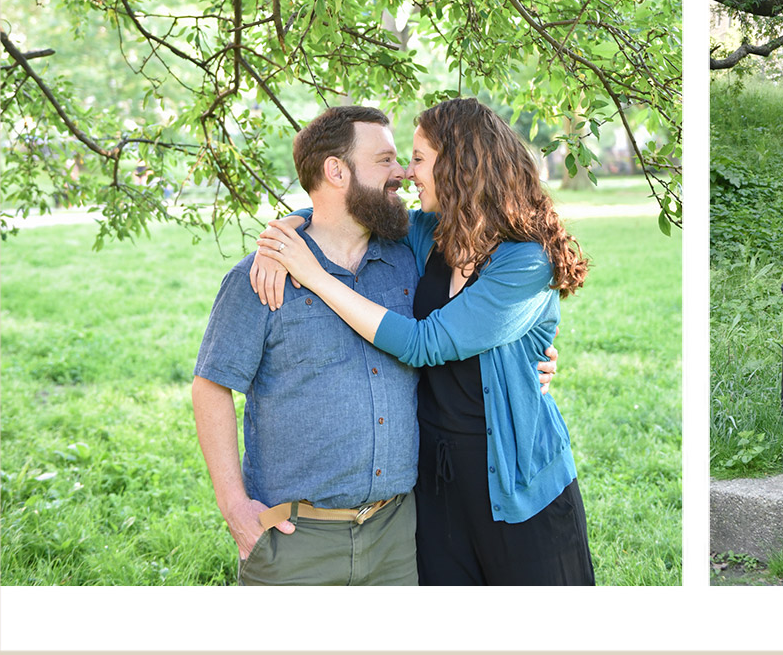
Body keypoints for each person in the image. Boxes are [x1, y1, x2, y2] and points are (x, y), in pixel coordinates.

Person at [192, 106, 555, 585]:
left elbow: (443, 332)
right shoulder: (260, 277)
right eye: (385, 160)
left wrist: (528, 360)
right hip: (296, 536)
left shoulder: (407, 256)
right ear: (337, 171)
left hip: (398, 533)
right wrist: (234, 507)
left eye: (408, 160)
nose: (402, 172)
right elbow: (212, 385)